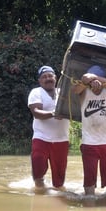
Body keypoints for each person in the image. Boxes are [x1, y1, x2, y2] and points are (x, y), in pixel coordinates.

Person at [72, 65, 106, 195]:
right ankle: (89, 204)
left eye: (96, 78)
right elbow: (75, 89)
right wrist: (86, 81)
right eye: (91, 79)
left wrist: (95, 78)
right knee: (89, 182)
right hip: (89, 143)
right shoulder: (83, 91)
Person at [27, 65, 70, 193]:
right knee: (38, 170)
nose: (48, 79)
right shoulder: (36, 92)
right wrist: (53, 113)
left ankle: (59, 198)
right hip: (41, 138)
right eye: (44, 77)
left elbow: (74, 109)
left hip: (61, 139)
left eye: (50, 76)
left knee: (59, 180)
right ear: (40, 81)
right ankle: (39, 193)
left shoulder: (63, 92)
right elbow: (36, 112)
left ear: (55, 78)